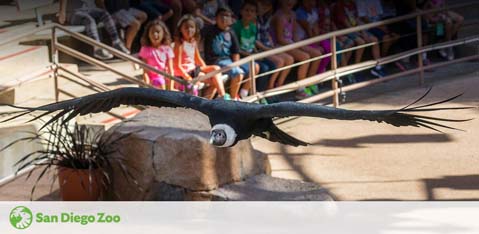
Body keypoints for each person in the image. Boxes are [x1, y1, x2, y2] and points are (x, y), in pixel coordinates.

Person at [271, 0, 322, 99]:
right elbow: (280, 38)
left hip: (291, 43)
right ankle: (300, 89)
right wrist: (295, 45)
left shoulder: (293, 14)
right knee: (305, 57)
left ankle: (310, 83)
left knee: (317, 53)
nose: (290, 1)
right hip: (280, 45)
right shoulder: (279, 16)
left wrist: (300, 45)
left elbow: (294, 35)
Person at [173, 14, 229, 99]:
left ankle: (222, 96)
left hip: (193, 69)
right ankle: (212, 101)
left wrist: (206, 69)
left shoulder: (193, 42)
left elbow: (197, 58)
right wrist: (187, 77)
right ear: (180, 29)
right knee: (214, 81)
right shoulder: (179, 44)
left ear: (195, 29)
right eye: (186, 27)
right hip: (184, 73)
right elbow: (177, 65)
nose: (189, 30)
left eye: (192, 27)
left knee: (216, 69)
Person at [232, 1, 276, 100]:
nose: (249, 13)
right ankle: (254, 95)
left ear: (256, 14)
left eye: (252, 11)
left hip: (252, 54)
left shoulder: (253, 26)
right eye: (247, 10)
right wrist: (251, 55)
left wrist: (257, 52)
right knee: (263, 67)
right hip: (243, 56)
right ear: (241, 11)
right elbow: (236, 48)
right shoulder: (236, 27)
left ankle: (265, 93)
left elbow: (253, 42)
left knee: (272, 65)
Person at [58, 0, 130, 60]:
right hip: (73, 12)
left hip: (87, 9)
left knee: (105, 14)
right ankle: (97, 48)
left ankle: (116, 43)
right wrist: (62, 12)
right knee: (89, 20)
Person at [333, 0, 386, 78]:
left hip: (357, 28)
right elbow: (346, 24)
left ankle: (378, 67)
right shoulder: (339, 6)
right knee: (361, 41)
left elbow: (357, 19)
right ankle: (356, 67)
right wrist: (360, 33)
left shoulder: (352, 4)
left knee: (374, 39)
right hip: (345, 30)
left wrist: (362, 31)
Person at [202, 7, 246, 100]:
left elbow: (235, 51)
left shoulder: (231, 32)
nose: (224, 18)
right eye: (222, 15)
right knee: (238, 73)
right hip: (213, 62)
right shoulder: (208, 30)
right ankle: (227, 99)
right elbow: (197, 41)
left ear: (231, 19)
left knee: (239, 72)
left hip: (227, 61)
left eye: (227, 16)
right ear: (216, 17)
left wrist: (236, 65)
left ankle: (233, 99)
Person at [257, 0, 294, 90]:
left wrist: (272, 46)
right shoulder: (255, 20)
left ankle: (279, 85)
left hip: (269, 46)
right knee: (280, 61)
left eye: (268, 5)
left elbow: (267, 33)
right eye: (263, 4)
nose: (266, 7)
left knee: (289, 59)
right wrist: (267, 49)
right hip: (261, 49)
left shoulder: (266, 17)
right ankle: (270, 87)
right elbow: (255, 41)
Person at [139, 20, 175, 90]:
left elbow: (171, 71)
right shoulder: (145, 49)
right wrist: (147, 85)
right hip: (152, 79)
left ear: (163, 34)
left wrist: (171, 89)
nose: (155, 34)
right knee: (158, 81)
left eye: (158, 32)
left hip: (165, 78)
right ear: (148, 35)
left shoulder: (167, 49)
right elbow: (145, 71)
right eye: (152, 32)